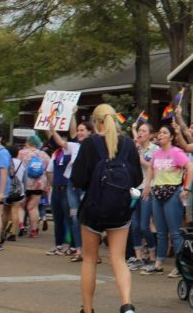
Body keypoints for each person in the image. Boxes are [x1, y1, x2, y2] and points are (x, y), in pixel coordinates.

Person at [71, 104, 143, 313]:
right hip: (120, 208)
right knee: (118, 259)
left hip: (93, 207)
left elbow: (78, 178)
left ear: (96, 122)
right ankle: (126, 304)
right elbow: (137, 178)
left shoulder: (90, 144)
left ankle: (88, 308)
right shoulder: (128, 144)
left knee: (90, 260)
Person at [140, 124, 193, 277]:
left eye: (164, 133)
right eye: (160, 132)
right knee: (161, 231)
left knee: (175, 232)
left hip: (172, 193)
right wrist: (148, 185)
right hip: (157, 192)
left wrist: (186, 188)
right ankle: (158, 263)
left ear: (171, 137)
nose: (161, 135)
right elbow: (150, 168)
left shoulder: (177, 152)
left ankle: (180, 265)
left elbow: (191, 167)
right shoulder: (157, 153)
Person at [50, 118, 94, 261]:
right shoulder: (75, 146)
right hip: (72, 186)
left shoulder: (94, 146)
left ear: (90, 132)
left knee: (88, 219)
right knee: (75, 218)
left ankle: (92, 251)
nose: (80, 133)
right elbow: (61, 142)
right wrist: (52, 129)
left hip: (85, 188)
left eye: (83, 130)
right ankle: (79, 250)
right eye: (79, 130)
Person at [128, 122, 157, 270]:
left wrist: (142, 161)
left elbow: (156, 169)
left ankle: (152, 257)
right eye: (139, 130)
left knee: (145, 225)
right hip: (135, 189)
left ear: (151, 135)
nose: (140, 133)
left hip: (148, 188)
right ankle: (138, 257)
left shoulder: (155, 149)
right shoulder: (135, 148)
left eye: (144, 131)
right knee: (135, 224)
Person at [45, 129, 75, 256]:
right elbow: (49, 171)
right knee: (58, 219)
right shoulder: (56, 154)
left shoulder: (71, 151)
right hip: (57, 188)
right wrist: (51, 184)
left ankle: (72, 246)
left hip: (67, 188)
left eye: (63, 139)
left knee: (70, 219)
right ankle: (58, 244)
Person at [18, 135, 51, 238]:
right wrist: (48, 184)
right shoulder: (44, 155)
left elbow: (17, 167)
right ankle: (34, 230)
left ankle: (21, 225)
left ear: (28, 142)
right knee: (33, 207)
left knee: (21, 206)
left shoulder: (22, 153)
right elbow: (49, 169)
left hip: (24, 183)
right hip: (39, 184)